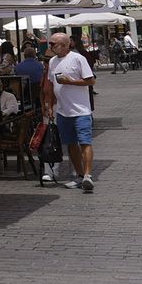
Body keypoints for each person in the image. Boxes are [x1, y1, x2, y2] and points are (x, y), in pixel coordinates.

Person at [47, 32, 97, 192]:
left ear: (64, 44)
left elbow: (91, 80)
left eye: (52, 43)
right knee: (71, 144)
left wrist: (71, 81)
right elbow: (50, 84)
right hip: (63, 111)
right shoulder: (52, 62)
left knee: (85, 142)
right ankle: (80, 176)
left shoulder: (78, 58)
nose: (50, 46)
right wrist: (49, 105)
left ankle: (88, 175)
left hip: (81, 110)